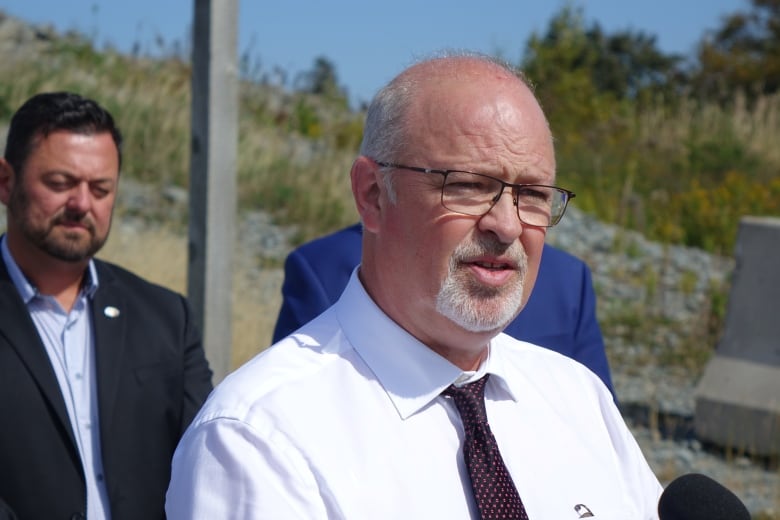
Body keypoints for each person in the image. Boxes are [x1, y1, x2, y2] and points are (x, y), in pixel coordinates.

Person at [167, 53, 662, 518]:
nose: (507, 225)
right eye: (468, 185)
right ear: (372, 195)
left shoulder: (577, 399)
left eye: (532, 194)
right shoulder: (260, 440)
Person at [0, 92, 213, 520]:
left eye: (100, 189)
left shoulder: (167, 319)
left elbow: (206, 463)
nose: (82, 204)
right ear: (6, 182)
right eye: (60, 184)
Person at [273, 223, 617, 397]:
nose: (504, 223)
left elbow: (597, 425)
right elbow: (297, 398)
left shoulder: (567, 279)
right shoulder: (324, 267)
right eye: (467, 185)